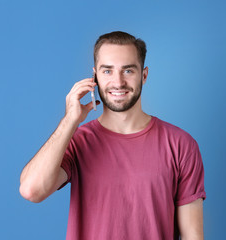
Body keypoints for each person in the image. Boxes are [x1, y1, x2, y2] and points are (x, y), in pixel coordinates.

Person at [19, 31, 206, 240]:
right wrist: (69, 121)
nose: (118, 82)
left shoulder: (181, 145)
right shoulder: (77, 141)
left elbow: (193, 235)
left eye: (128, 70)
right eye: (107, 71)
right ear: (95, 77)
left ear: (144, 75)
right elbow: (31, 190)